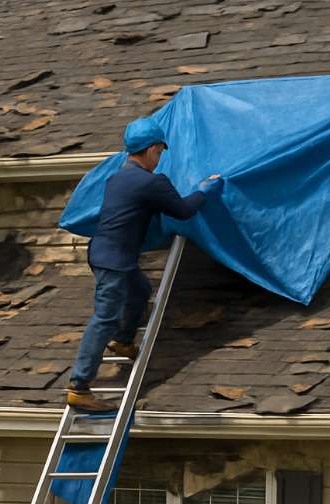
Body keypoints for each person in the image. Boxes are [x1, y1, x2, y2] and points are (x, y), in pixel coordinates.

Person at [67, 117, 222, 413]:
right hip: (114, 259)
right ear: (151, 150)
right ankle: (79, 387)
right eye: (160, 153)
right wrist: (205, 191)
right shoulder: (152, 183)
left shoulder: (118, 177)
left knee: (139, 291)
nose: (160, 159)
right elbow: (184, 210)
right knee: (104, 319)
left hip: (106, 253)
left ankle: (124, 342)